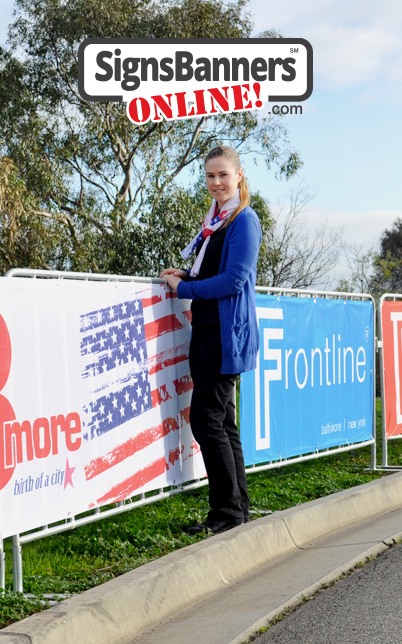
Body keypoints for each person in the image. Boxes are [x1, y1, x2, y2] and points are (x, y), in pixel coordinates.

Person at [160, 145, 262, 535]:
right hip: (205, 329)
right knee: (224, 422)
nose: (216, 183)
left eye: (223, 175)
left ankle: (226, 513)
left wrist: (184, 289)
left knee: (205, 420)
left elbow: (234, 280)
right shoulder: (216, 220)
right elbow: (213, 272)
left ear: (238, 175)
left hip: (226, 332)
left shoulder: (243, 220)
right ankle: (237, 510)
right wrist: (187, 274)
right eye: (209, 176)